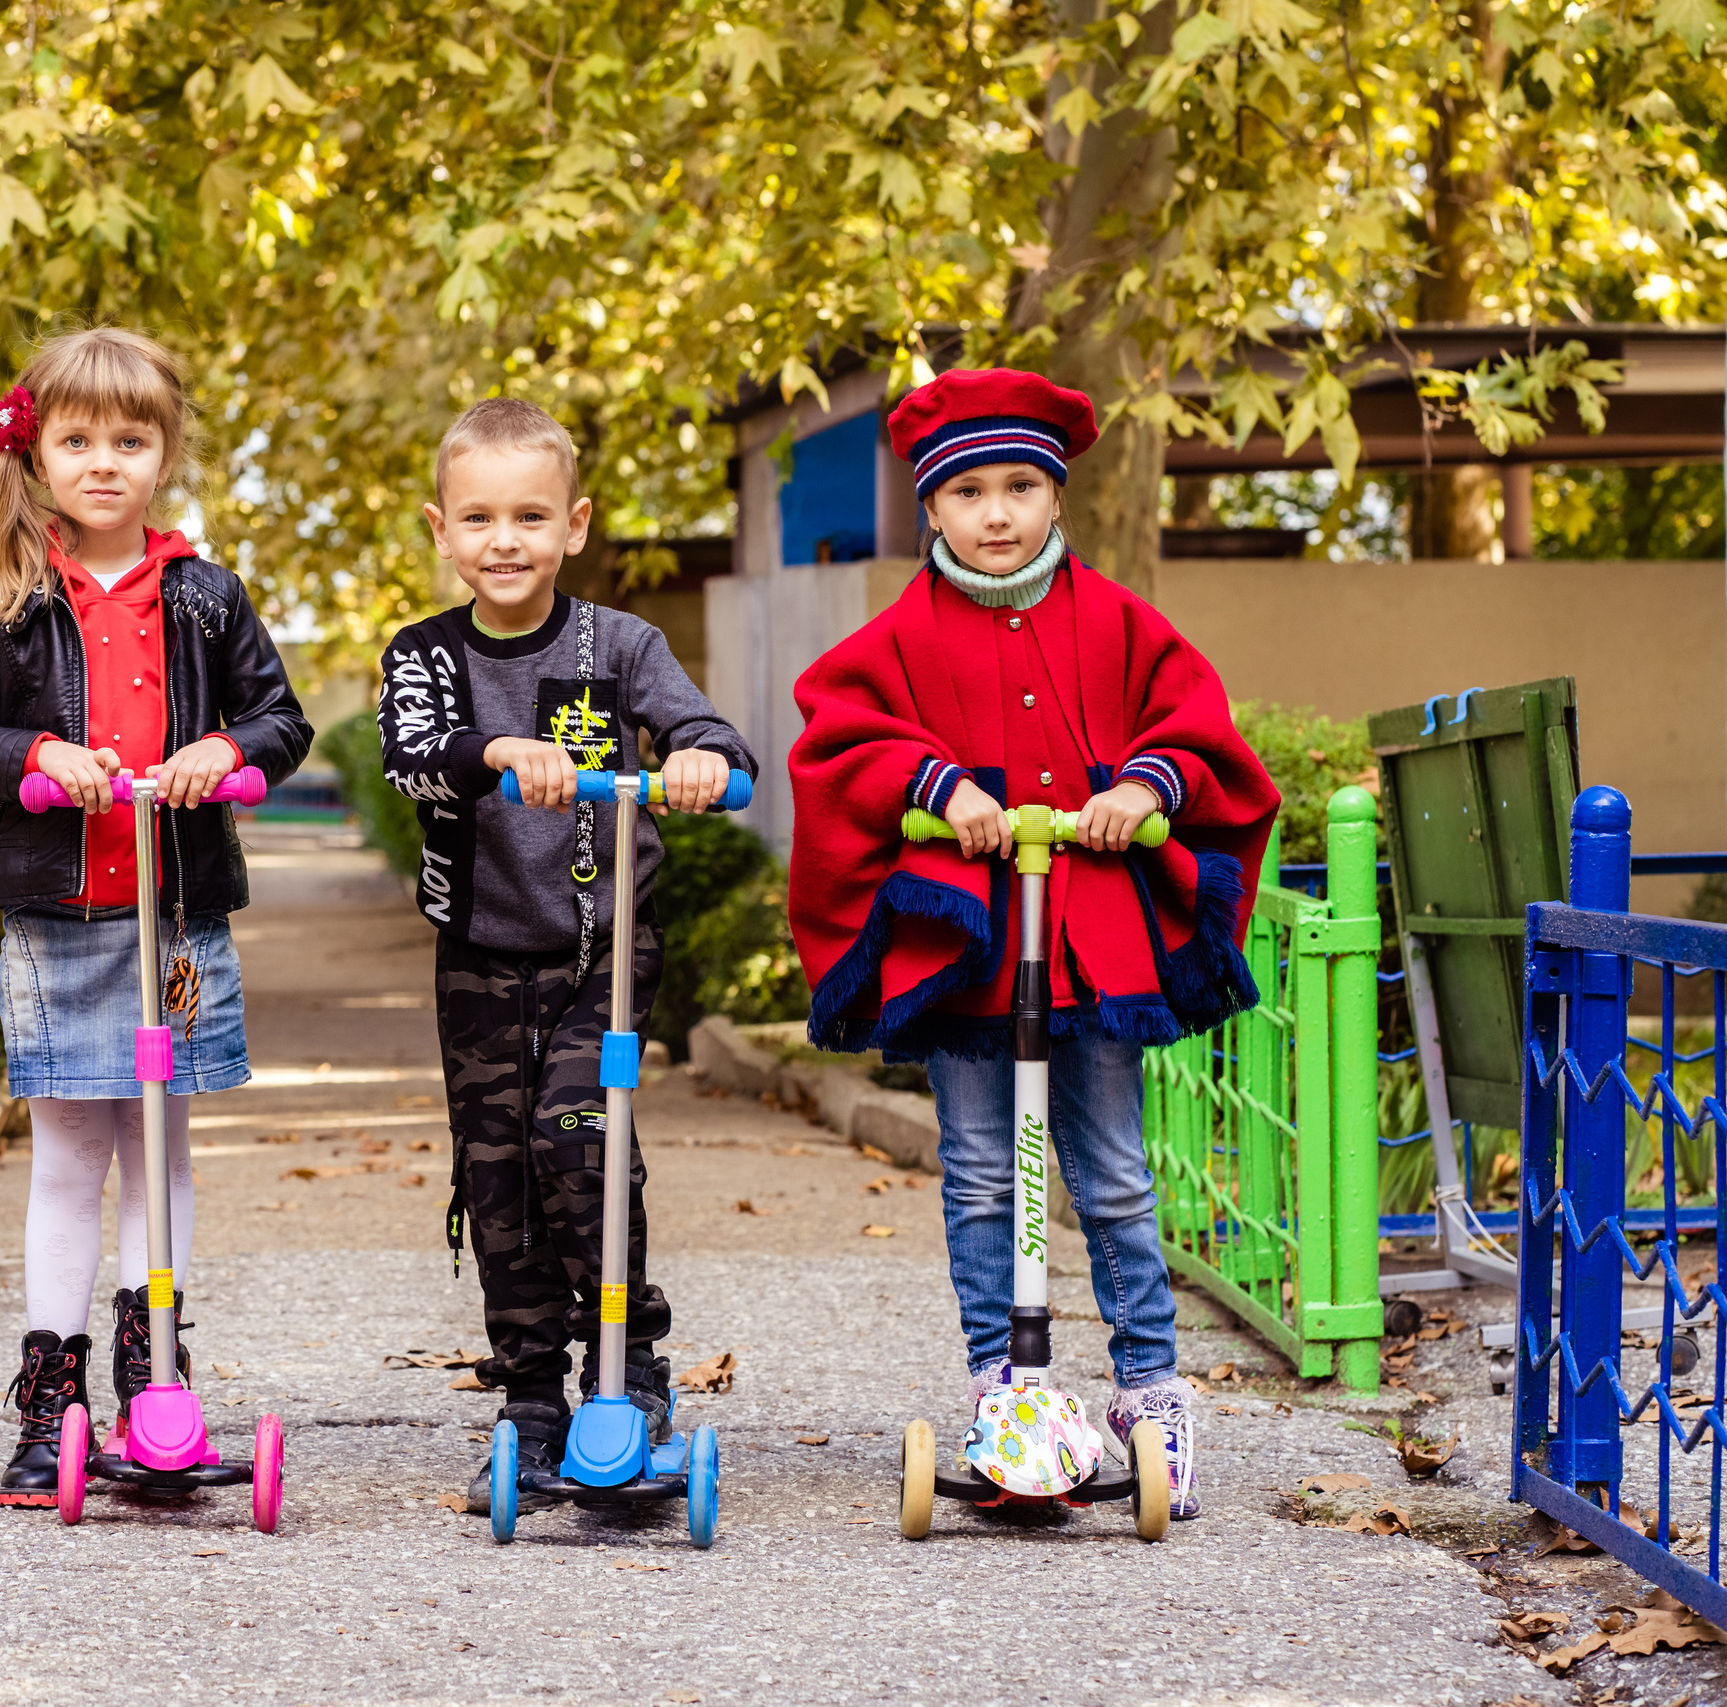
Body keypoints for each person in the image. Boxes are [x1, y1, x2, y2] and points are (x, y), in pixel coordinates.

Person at [785, 368, 1280, 1519]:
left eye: (1019, 486)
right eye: (966, 491)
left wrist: (1146, 782)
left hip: (1090, 934)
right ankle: (1001, 1383)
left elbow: (1194, 723)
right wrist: (933, 780)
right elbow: (837, 731)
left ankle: (1147, 1388)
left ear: (1058, 498)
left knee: (1108, 1172)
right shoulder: (902, 633)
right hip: (966, 942)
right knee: (972, 1176)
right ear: (932, 508)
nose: (995, 513)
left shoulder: (1116, 622)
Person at [0, 327, 312, 1508]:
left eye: (129, 442)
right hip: (56, 917)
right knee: (70, 1154)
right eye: (78, 440)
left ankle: (159, 1371)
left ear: (164, 454)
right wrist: (36, 752)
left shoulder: (205, 595)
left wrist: (225, 749)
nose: (103, 464)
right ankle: (52, 1396)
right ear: (36, 454)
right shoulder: (4, 598)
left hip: (175, 918)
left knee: (162, 1146)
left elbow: (281, 720)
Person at [376, 397, 759, 1512]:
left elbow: (709, 739)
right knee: (498, 1175)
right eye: (480, 517)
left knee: (582, 1152)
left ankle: (626, 1364)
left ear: (574, 525)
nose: (506, 540)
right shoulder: (426, 656)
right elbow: (411, 756)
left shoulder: (618, 646)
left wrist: (693, 760)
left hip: (604, 962)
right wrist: (494, 749)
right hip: (480, 957)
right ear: (441, 531)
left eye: (531, 516)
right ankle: (534, 1384)